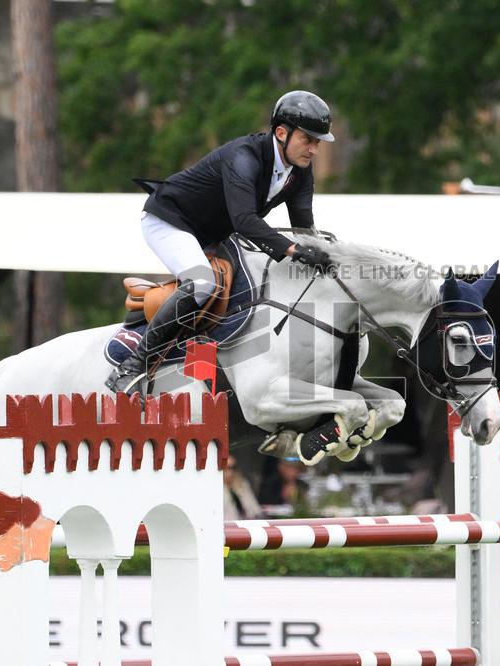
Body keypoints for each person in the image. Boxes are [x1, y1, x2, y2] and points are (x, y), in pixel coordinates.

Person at [106, 90, 337, 394]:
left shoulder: (300, 172)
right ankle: (133, 366)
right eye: (308, 139)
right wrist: (294, 251)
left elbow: (304, 227)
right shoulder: (244, 157)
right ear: (282, 133)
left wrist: (325, 255)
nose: (315, 150)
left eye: (318, 142)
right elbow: (245, 221)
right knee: (202, 283)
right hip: (170, 221)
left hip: (213, 232)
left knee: (251, 282)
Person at [223, 456, 264, 521]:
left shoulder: (242, 484)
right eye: (226, 467)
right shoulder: (215, 487)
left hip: (244, 524)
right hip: (226, 526)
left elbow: (255, 508)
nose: (230, 471)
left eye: (233, 467)